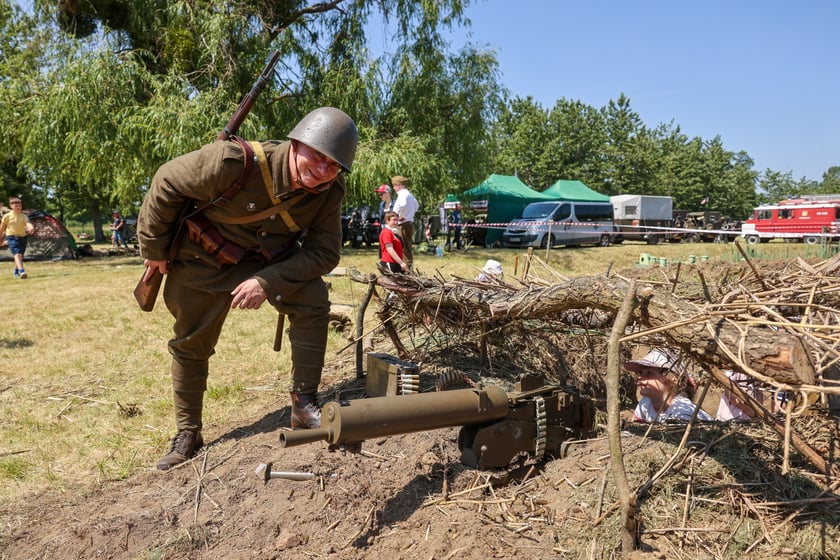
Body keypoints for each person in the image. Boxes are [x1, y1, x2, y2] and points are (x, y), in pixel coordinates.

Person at [137, 107, 358, 470]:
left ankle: (304, 405)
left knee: (313, 297)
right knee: (191, 342)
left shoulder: (328, 192)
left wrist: (266, 281)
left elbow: (324, 253)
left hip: (265, 262)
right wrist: (155, 250)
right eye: (317, 157)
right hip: (200, 259)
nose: (322, 172)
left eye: (333, 165)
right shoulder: (233, 163)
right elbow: (167, 180)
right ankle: (188, 432)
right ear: (296, 143)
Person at [626, 348, 712, 422]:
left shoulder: (682, 411)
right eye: (639, 372)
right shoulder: (646, 402)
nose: (640, 377)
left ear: (672, 378)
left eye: (649, 373)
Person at [0, 197, 35, 279]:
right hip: (11, 237)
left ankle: (16, 270)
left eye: (19, 206)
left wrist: (31, 228)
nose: (18, 207)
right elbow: (1, 228)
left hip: (22, 237)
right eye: (16, 206)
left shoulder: (23, 216)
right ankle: (22, 271)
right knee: (17, 254)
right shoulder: (7, 216)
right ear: (11, 206)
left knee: (20, 255)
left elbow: (28, 223)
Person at [391, 175, 419, 272]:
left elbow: (402, 204)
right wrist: (409, 214)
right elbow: (416, 206)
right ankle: (408, 270)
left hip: (403, 225)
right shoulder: (409, 195)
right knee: (407, 248)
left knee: (404, 249)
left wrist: (398, 216)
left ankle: (407, 272)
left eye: (394, 186)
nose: (393, 188)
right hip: (408, 223)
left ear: (398, 185)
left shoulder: (402, 194)